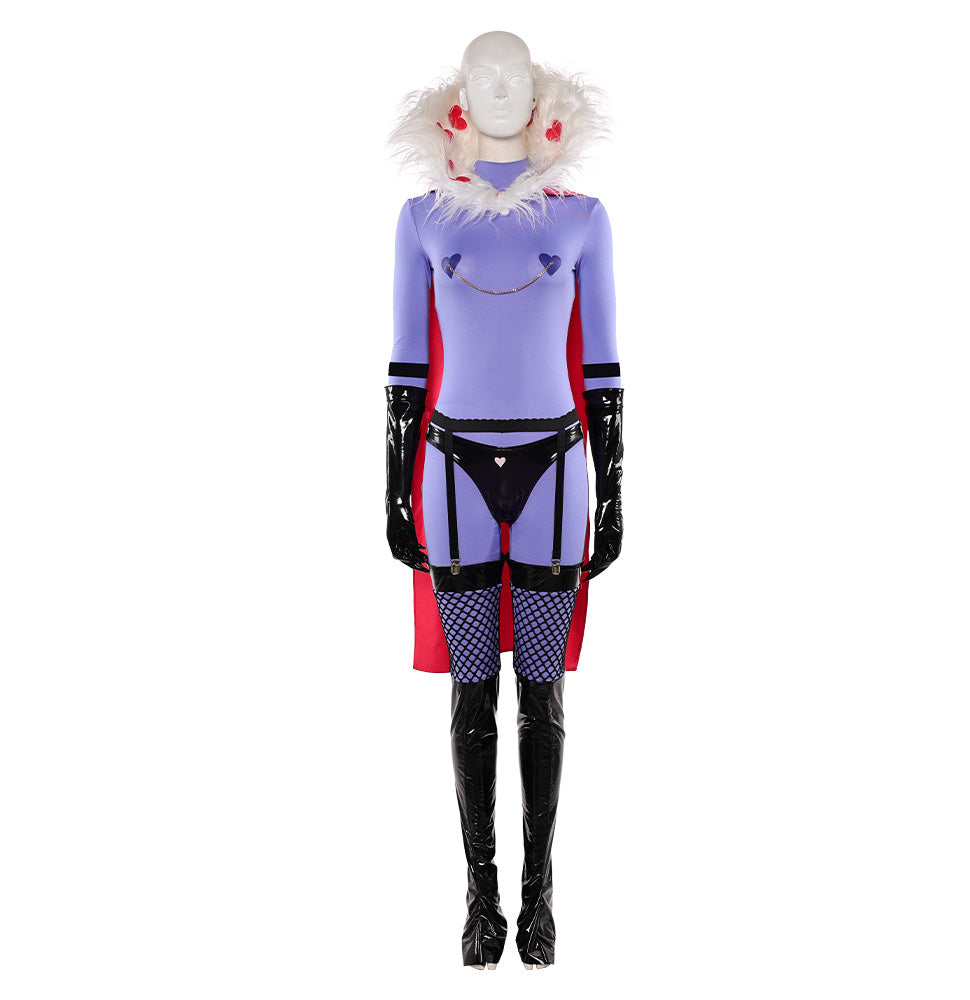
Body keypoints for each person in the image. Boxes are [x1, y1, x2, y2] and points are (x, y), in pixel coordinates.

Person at [384, 31, 624, 970]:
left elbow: (603, 368)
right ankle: (480, 895)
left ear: (539, 94)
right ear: (458, 96)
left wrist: (617, 488)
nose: (496, 88)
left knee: (544, 697)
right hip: (451, 473)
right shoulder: (421, 220)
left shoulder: (584, 219)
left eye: (513, 76)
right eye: (481, 76)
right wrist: (392, 488)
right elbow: (407, 366)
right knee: (473, 693)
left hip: (557, 467)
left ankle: (541, 894)